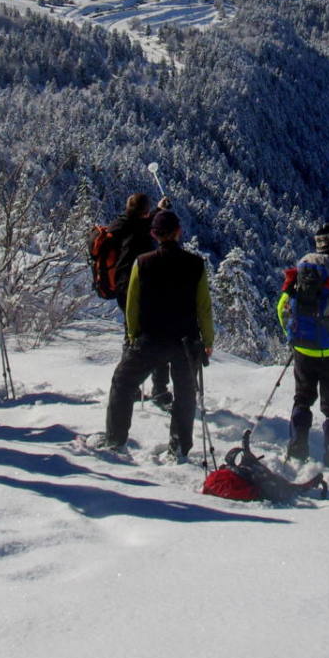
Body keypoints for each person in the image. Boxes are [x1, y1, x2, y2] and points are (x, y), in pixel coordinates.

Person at [100, 208, 213, 460]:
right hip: (185, 341)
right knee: (185, 395)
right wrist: (207, 340)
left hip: (150, 339)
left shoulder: (143, 263)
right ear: (178, 232)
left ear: (154, 234)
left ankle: (115, 441)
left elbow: (132, 304)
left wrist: (133, 335)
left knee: (123, 383)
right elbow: (204, 307)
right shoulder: (196, 264)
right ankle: (179, 448)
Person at [277, 224, 329, 468]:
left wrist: (294, 335)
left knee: (302, 400)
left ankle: (297, 450)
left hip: (303, 351)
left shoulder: (301, 273)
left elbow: (282, 309)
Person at [107, 192, 172, 408]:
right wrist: (160, 210)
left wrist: (158, 210)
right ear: (144, 212)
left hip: (122, 288)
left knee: (131, 334)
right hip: (142, 289)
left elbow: (144, 221)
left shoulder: (119, 225)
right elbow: (150, 224)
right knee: (157, 335)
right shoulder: (141, 229)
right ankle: (160, 390)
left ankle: (129, 385)